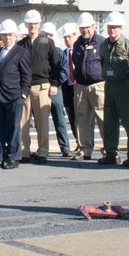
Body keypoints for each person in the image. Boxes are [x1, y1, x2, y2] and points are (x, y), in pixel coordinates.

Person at [0, 19, 31, 169]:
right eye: (4, 35)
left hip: (13, 96)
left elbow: (26, 76)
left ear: (15, 36)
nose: (7, 38)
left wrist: (23, 95)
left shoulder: (21, 52)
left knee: (13, 128)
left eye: (10, 35)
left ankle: (13, 157)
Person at [17, 10, 60, 164]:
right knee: (23, 122)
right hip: (25, 88)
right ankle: (24, 152)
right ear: (26, 24)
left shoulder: (47, 42)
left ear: (39, 24)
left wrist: (54, 84)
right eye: (30, 23)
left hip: (43, 86)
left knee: (42, 123)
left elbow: (56, 65)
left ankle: (42, 152)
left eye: (35, 23)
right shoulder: (20, 45)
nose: (32, 26)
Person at [99, 11, 129, 166]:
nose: (112, 30)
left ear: (121, 28)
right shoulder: (103, 46)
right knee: (109, 121)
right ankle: (111, 153)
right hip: (109, 85)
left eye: (115, 27)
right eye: (110, 27)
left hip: (125, 86)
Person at [71, 13, 105, 161]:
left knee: (103, 119)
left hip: (98, 85)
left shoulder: (102, 42)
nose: (85, 30)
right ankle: (85, 149)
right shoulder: (77, 43)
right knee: (82, 119)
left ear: (94, 26)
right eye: (82, 27)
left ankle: (109, 150)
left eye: (87, 27)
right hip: (81, 86)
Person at [42, 21, 73, 157]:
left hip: (56, 90)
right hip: (40, 89)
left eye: (50, 35)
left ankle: (65, 147)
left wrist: (55, 84)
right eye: (45, 35)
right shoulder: (35, 52)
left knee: (60, 119)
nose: (47, 37)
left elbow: (64, 71)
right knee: (40, 122)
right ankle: (42, 149)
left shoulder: (59, 52)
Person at [60, 23, 79, 153]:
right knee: (72, 116)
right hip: (67, 87)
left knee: (83, 116)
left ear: (75, 37)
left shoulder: (80, 50)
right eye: (65, 37)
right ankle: (78, 140)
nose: (67, 40)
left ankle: (85, 142)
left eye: (70, 37)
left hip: (79, 85)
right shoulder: (62, 53)